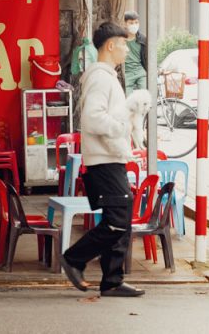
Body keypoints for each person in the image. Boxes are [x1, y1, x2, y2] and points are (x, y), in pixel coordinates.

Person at [61, 22, 144, 298]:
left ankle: (112, 281)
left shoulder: (108, 76)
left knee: (120, 217)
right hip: (103, 161)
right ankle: (74, 258)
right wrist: (121, 130)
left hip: (111, 158)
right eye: (124, 43)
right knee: (118, 219)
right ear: (111, 45)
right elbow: (92, 118)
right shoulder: (99, 77)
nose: (127, 49)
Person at [122, 11, 148, 96]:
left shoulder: (143, 39)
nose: (134, 25)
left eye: (136, 22)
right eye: (131, 23)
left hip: (140, 71)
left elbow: (147, 57)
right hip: (127, 73)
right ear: (125, 24)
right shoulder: (120, 39)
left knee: (145, 96)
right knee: (127, 100)